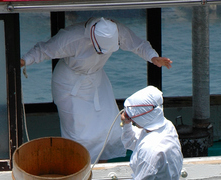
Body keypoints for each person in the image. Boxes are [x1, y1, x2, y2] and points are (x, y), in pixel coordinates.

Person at [21, 17, 172, 163]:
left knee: (109, 127)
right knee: (79, 134)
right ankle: (79, 169)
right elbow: (43, 50)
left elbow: (138, 44)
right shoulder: (72, 37)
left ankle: (100, 165)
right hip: (69, 83)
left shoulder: (116, 30)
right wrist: (24, 60)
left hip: (96, 79)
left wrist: (153, 57)